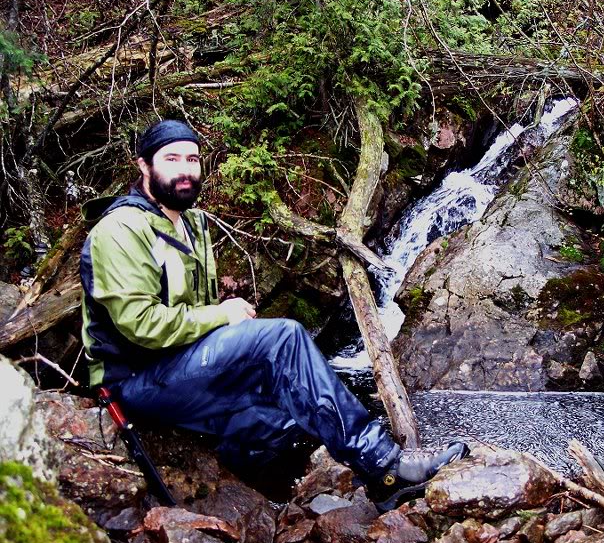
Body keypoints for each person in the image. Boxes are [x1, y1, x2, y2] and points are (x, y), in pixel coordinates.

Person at [79, 119, 467, 510]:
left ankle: (263, 504)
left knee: (290, 411)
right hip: (136, 379)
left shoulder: (193, 223)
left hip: (182, 364)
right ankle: (385, 466)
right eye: (172, 158)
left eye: (193, 159)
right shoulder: (120, 230)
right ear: (144, 166)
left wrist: (229, 339)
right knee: (283, 338)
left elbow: (194, 315)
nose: (185, 169)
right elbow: (141, 326)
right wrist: (222, 316)